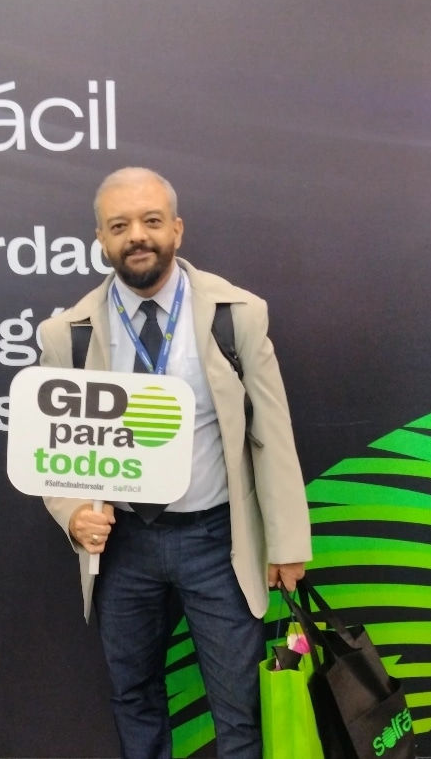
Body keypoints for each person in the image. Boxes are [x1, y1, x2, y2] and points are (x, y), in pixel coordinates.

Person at [40, 167, 312, 759]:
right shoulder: (68, 334)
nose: (137, 236)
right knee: (133, 696)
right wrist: (73, 514)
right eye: (119, 226)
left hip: (217, 540)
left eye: (151, 221)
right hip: (124, 545)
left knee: (240, 707)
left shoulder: (237, 315)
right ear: (101, 239)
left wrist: (287, 543)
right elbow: (58, 450)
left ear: (177, 230)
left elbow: (272, 435)